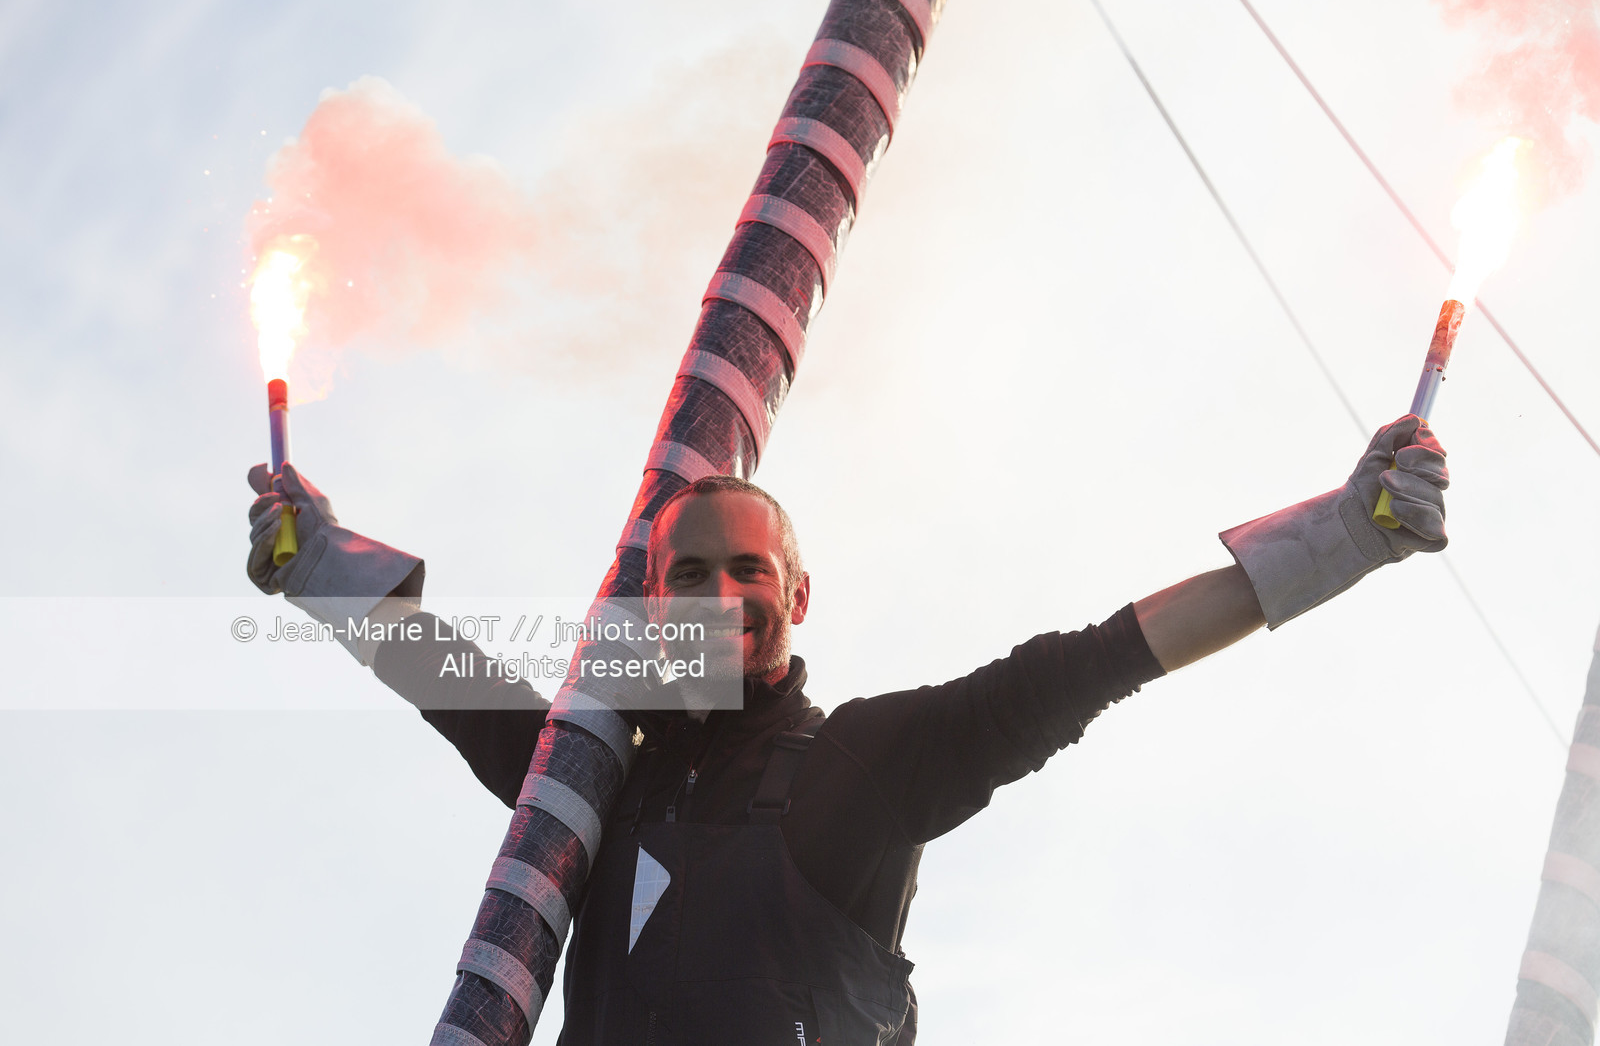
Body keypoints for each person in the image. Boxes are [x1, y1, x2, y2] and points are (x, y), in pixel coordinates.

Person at [246, 414, 1449, 1043]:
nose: (717, 597)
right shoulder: (588, 772)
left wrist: (1339, 537)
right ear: (648, 599)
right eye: (687, 573)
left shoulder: (858, 766)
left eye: (747, 571)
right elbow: (442, 669)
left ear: (797, 596)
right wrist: (317, 560)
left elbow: (1092, 663)